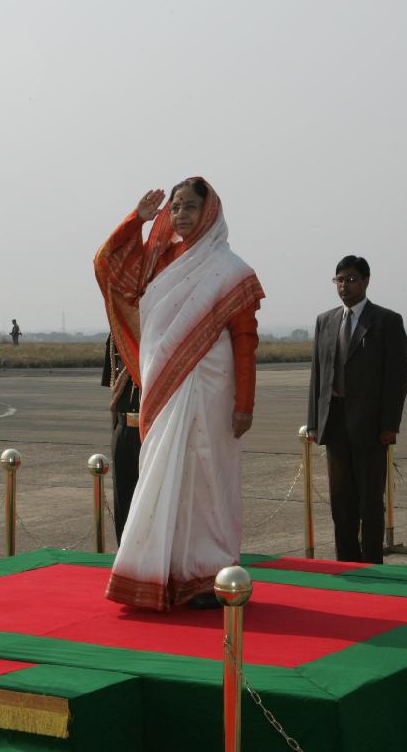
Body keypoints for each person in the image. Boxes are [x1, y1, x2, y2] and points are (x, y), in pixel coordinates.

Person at [94, 177, 264, 610]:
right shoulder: (160, 261)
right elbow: (109, 267)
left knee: (208, 482)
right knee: (162, 472)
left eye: (190, 207)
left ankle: (208, 575)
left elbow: (245, 339)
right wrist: (135, 221)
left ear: (209, 212)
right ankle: (160, 572)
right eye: (175, 207)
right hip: (166, 392)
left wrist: (244, 404)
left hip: (212, 393)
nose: (181, 215)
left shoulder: (232, 271)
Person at [307, 255, 407, 564]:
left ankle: (372, 563)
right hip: (335, 422)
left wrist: (389, 425)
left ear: (366, 281)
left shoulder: (386, 322)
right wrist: (313, 422)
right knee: (340, 500)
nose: (344, 286)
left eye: (351, 280)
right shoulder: (325, 321)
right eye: (339, 280)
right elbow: (317, 375)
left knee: (370, 501)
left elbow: (397, 377)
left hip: (371, 426)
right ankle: (347, 563)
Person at [100, 332, 141, 542]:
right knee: (123, 497)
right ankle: (125, 549)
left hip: (153, 429)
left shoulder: (160, 330)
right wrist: (114, 432)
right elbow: (114, 391)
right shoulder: (117, 335)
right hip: (124, 427)